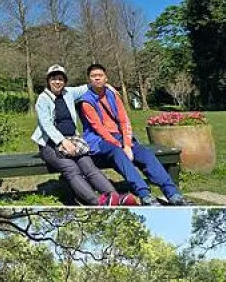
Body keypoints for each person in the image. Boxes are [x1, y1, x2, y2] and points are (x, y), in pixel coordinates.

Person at [78, 63, 193, 206]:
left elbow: (124, 120)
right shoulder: (86, 101)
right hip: (99, 140)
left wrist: (127, 144)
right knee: (117, 152)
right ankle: (144, 194)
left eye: (100, 75)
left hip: (120, 137)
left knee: (145, 154)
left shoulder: (113, 95)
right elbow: (99, 128)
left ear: (106, 78)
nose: (97, 79)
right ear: (89, 79)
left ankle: (173, 194)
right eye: (93, 76)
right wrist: (120, 146)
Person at [31, 64, 136, 206]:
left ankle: (114, 198)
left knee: (89, 166)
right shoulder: (43, 99)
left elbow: (88, 86)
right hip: (50, 144)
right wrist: (62, 142)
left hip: (73, 140)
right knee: (71, 168)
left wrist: (107, 86)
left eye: (60, 79)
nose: (57, 82)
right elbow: (46, 125)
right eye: (54, 79)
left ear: (65, 81)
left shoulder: (68, 93)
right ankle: (96, 202)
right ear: (48, 81)